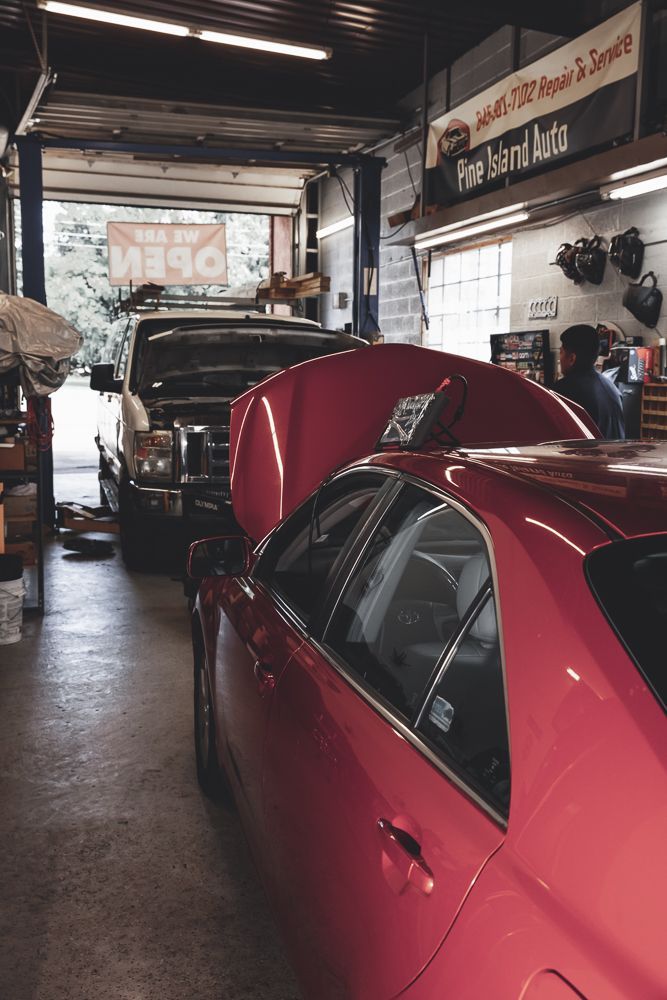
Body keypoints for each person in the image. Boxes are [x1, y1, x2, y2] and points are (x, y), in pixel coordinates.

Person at [555, 324, 625, 438]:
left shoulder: (563, 391)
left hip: (585, 455)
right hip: (613, 455)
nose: (560, 358)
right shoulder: (612, 389)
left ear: (572, 358)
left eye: (561, 352)